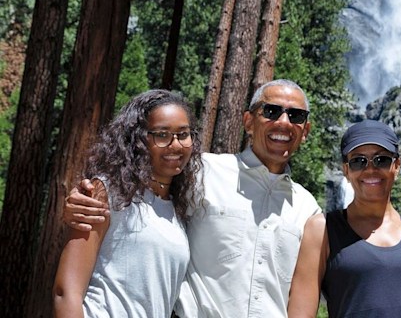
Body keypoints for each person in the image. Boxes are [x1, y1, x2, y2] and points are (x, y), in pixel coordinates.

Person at [63, 79, 320, 318]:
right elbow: (134, 181)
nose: (284, 122)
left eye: (295, 115)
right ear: (248, 121)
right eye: (272, 111)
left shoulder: (308, 209)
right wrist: (80, 200)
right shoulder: (199, 172)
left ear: (305, 130)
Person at [53, 89, 203, 317]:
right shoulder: (107, 192)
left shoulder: (178, 211)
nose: (175, 145)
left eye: (183, 134)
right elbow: (66, 292)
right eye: (162, 135)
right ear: (139, 139)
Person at [288, 119, 401, 317]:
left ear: (397, 165)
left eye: (381, 160)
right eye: (358, 161)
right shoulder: (322, 229)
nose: (370, 169)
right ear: (346, 170)